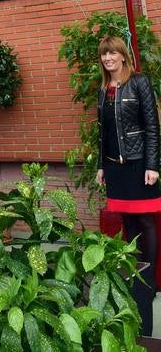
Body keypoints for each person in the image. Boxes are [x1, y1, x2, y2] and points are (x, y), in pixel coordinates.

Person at [96, 35, 161, 336]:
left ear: (123, 56)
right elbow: (103, 132)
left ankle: (148, 281)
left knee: (146, 220)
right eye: (104, 55)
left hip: (138, 164)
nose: (108, 58)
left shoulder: (139, 82)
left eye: (113, 53)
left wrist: (152, 165)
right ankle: (136, 276)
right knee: (128, 223)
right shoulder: (103, 89)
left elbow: (151, 126)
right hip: (114, 166)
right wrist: (100, 166)